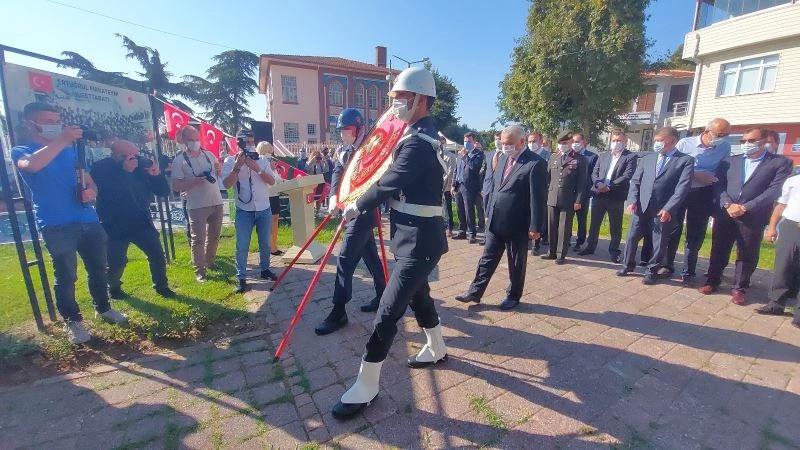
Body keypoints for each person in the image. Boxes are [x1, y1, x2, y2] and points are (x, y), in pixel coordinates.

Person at [333, 67, 448, 420]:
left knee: (387, 311)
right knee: (419, 296)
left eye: (401, 98)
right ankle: (437, 347)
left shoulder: (419, 142)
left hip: (420, 242)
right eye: (394, 98)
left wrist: (356, 203)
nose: (395, 104)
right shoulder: (414, 135)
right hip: (412, 237)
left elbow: (389, 182)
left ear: (421, 100)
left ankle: (366, 385)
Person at [11, 102, 127, 344]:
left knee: (99, 269)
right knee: (66, 276)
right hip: (56, 224)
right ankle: (73, 321)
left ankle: (103, 308)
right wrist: (62, 139)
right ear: (30, 123)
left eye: (57, 121)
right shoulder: (23, 150)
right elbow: (32, 165)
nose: (55, 126)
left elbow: (89, 181)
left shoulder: (70, 151)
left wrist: (91, 191)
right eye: (48, 121)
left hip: (88, 219)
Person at [455, 125, 547, 310]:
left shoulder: (535, 163)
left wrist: (535, 227)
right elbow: (496, 188)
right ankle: (475, 292)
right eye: (503, 143)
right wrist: (488, 213)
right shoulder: (503, 158)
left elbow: (538, 198)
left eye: (509, 144)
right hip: (495, 220)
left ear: (522, 141)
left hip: (517, 222)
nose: (505, 147)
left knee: (516, 262)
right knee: (487, 258)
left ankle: (513, 296)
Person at [314, 108, 387, 335]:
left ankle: (339, 311)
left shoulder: (371, 148)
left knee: (344, 259)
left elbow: (376, 181)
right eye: (341, 130)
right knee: (371, 256)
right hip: (349, 210)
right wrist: (333, 196)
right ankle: (384, 295)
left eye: (347, 129)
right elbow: (337, 172)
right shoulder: (344, 150)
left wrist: (357, 205)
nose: (343, 133)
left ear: (358, 128)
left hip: (363, 212)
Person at [698, 128, 791, 305]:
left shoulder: (779, 163)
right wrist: (728, 204)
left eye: (751, 140)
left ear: (763, 141)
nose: (746, 144)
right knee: (719, 248)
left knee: (747, 252)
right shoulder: (729, 161)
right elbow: (718, 185)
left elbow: (774, 190)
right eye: (743, 141)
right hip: (726, 212)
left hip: (753, 215)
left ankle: (739, 288)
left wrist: (746, 207)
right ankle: (712, 280)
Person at [91, 140, 175, 299]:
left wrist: (156, 176)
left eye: (136, 154)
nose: (135, 158)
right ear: (118, 155)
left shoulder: (140, 167)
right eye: (130, 155)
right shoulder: (102, 167)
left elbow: (163, 191)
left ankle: (162, 286)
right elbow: (109, 193)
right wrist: (126, 171)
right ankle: (114, 288)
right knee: (117, 261)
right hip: (114, 223)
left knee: (157, 254)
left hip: (141, 220)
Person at [617, 127, 694, 285]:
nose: (656, 143)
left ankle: (651, 271)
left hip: (663, 209)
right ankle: (627, 264)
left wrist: (669, 208)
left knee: (659, 242)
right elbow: (636, 181)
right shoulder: (648, 158)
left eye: (660, 141)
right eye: (655, 140)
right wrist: (632, 200)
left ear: (672, 141)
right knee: (632, 237)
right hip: (641, 206)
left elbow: (682, 188)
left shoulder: (685, 161)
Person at [665, 118, 732, 284]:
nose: (722, 138)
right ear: (707, 131)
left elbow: (723, 170)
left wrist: (713, 180)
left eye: (726, 135)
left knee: (695, 234)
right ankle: (667, 266)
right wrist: (695, 174)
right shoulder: (685, 144)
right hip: (681, 191)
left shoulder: (725, 146)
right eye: (719, 134)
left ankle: (688, 272)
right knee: (673, 229)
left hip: (703, 193)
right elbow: (673, 166)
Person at [222, 134, 278, 293]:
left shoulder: (262, 160)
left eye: (252, 142)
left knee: (265, 243)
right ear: (239, 144)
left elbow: (272, 181)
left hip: (264, 209)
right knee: (242, 245)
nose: (250, 145)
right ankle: (241, 277)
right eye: (247, 142)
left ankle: (265, 269)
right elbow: (226, 184)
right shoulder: (230, 161)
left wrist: (257, 168)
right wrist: (237, 167)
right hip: (244, 211)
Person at [171, 125, 224, 283]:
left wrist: (219, 170)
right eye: (191, 139)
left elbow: (218, 174)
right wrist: (193, 182)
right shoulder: (179, 161)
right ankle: (199, 271)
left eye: (196, 139)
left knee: (214, 236)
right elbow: (175, 185)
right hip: (196, 205)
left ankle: (210, 262)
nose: (195, 142)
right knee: (198, 239)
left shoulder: (209, 155)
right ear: (184, 140)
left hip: (216, 201)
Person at [579, 130, 637, 263]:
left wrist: (609, 186)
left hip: (615, 196)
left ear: (625, 141)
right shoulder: (603, 155)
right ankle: (590, 246)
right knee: (594, 223)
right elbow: (595, 172)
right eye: (614, 140)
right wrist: (598, 184)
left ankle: (614, 251)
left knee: (615, 225)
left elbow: (627, 175)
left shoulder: (630, 157)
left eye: (619, 140)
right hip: (599, 194)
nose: (616, 143)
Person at [756, 174, 800, 328]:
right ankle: (776, 303)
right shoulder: (793, 181)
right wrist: (772, 227)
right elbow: (781, 205)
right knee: (783, 264)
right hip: (791, 226)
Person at [541, 132, 587, 264]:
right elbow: (548, 178)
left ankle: (561, 254)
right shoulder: (553, 157)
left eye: (565, 143)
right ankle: (551, 252)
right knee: (551, 226)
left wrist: (578, 200)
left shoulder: (580, 159)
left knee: (564, 228)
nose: (562, 145)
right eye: (560, 143)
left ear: (571, 142)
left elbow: (582, 183)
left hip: (568, 199)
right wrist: (546, 196)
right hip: (552, 196)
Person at [452, 132, 484, 243]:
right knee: (459, 209)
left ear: (474, 141)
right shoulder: (460, 153)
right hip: (459, 185)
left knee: (469, 210)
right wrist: (453, 184)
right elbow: (456, 169)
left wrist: (466, 155)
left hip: (470, 186)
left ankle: (471, 233)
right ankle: (462, 230)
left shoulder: (478, 154)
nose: (466, 143)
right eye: (465, 141)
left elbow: (474, 167)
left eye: (469, 141)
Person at [569, 132, 597, 251]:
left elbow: (593, 175)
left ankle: (579, 242)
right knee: (568, 218)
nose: (574, 144)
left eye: (577, 141)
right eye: (573, 142)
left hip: (583, 193)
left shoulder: (592, 157)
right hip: (569, 192)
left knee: (581, 219)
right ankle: (567, 239)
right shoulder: (570, 155)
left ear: (584, 142)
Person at [256, 141, 285, 256]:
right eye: (268, 151)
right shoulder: (260, 161)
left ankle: (274, 245)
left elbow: (278, 180)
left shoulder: (271, 163)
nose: (270, 153)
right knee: (268, 222)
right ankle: (269, 247)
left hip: (275, 195)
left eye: (271, 151)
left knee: (275, 219)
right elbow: (267, 181)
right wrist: (271, 170)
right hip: (266, 196)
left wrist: (274, 170)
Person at [527, 132, 549, 254]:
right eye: (529, 141)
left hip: (541, 190)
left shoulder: (548, 156)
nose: (531, 144)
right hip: (527, 191)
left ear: (541, 142)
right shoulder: (526, 155)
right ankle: (527, 241)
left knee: (538, 216)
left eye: (534, 141)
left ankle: (536, 244)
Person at [479, 132, 502, 245]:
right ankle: (487, 236)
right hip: (487, 188)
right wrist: (482, 187)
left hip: (499, 189)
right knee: (486, 213)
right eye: (496, 139)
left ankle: (498, 236)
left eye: (499, 138)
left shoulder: (507, 155)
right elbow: (484, 172)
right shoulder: (489, 154)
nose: (497, 141)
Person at [440, 136, 458, 235]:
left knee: (448, 206)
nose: (441, 145)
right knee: (439, 207)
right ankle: (441, 225)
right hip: (436, 185)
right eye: (440, 143)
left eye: (443, 143)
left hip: (446, 185)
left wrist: (445, 184)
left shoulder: (451, 156)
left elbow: (451, 171)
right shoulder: (436, 154)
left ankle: (450, 227)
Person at [308, 150, 329, 215]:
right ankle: (311, 211)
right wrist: (312, 161)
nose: (318, 159)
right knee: (311, 197)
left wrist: (325, 162)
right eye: (317, 157)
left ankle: (317, 211)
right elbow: (306, 169)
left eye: (319, 158)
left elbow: (326, 170)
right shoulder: (310, 163)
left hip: (320, 182)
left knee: (318, 198)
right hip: (312, 182)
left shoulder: (320, 163)